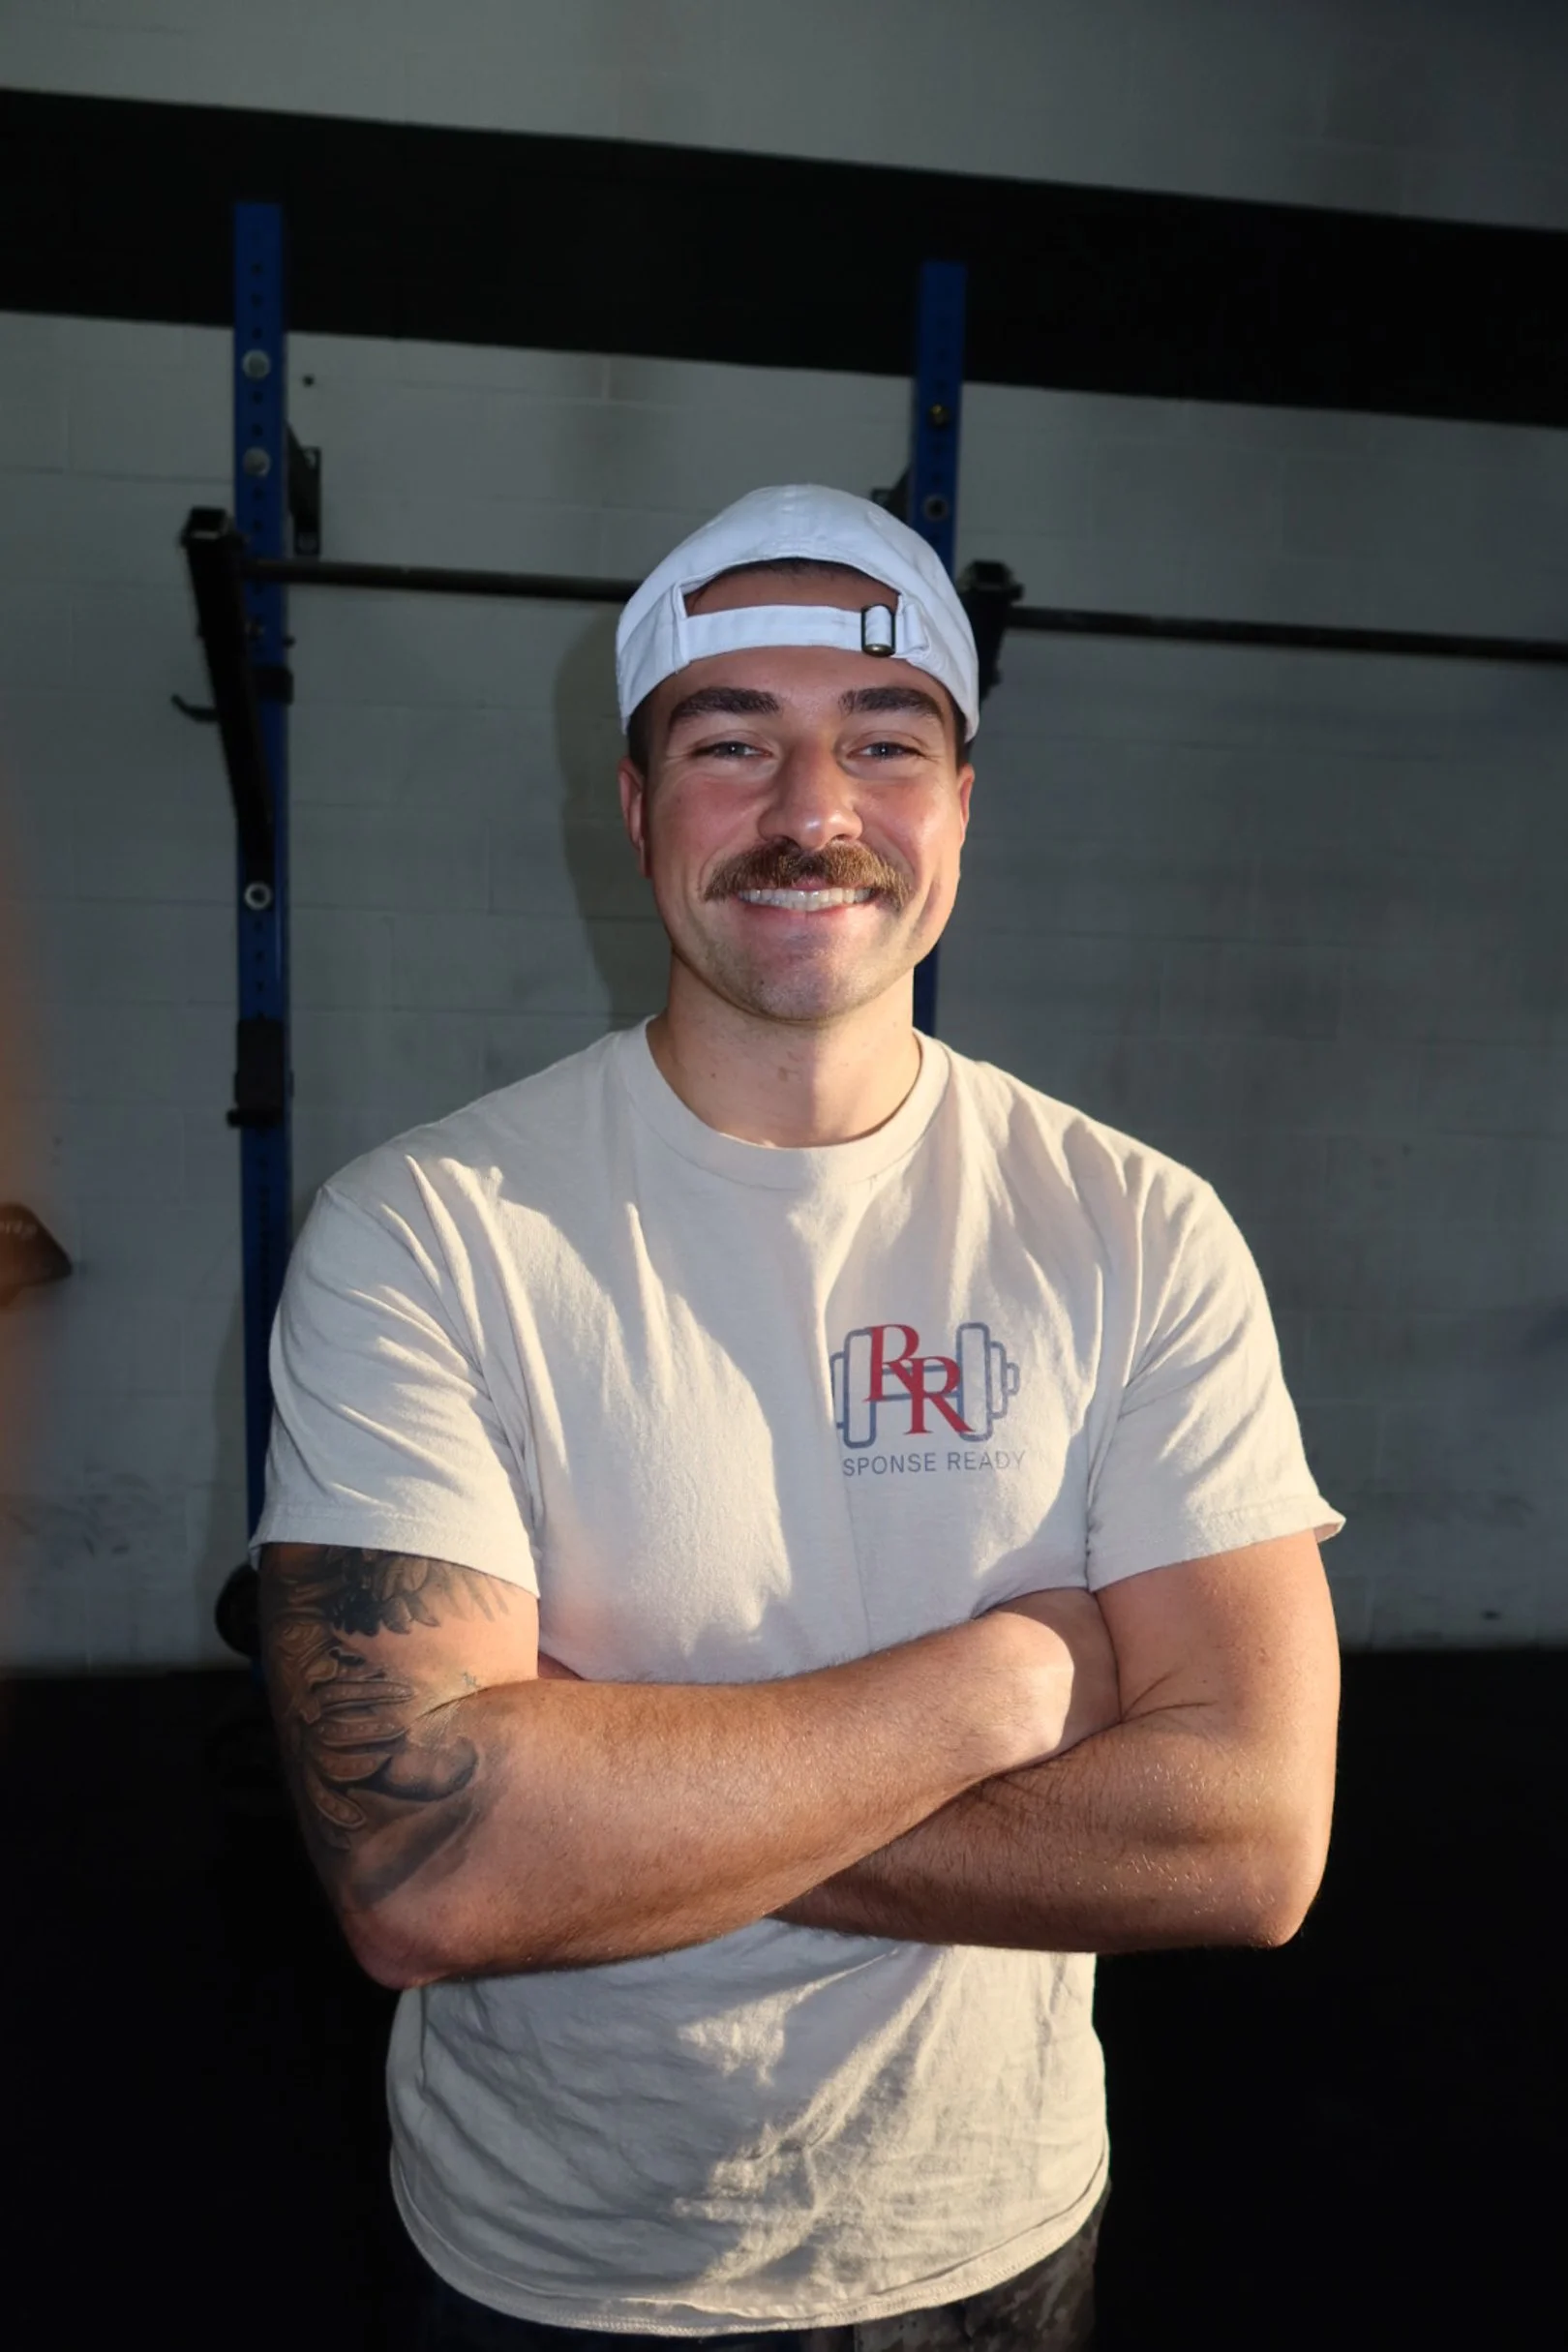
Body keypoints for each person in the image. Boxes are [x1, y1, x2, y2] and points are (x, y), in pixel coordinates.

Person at [255, 484, 1344, 2352]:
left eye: (884, 742)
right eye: (731, 740)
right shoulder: (425, 1233)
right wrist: (999, 1687)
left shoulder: (1132, 1226)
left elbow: (1247, 1842)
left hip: (990, 2242)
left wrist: (610, 1796)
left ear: (963, 806)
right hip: (551, 2276)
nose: (811, 811)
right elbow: (425, 1869)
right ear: (634, 805)